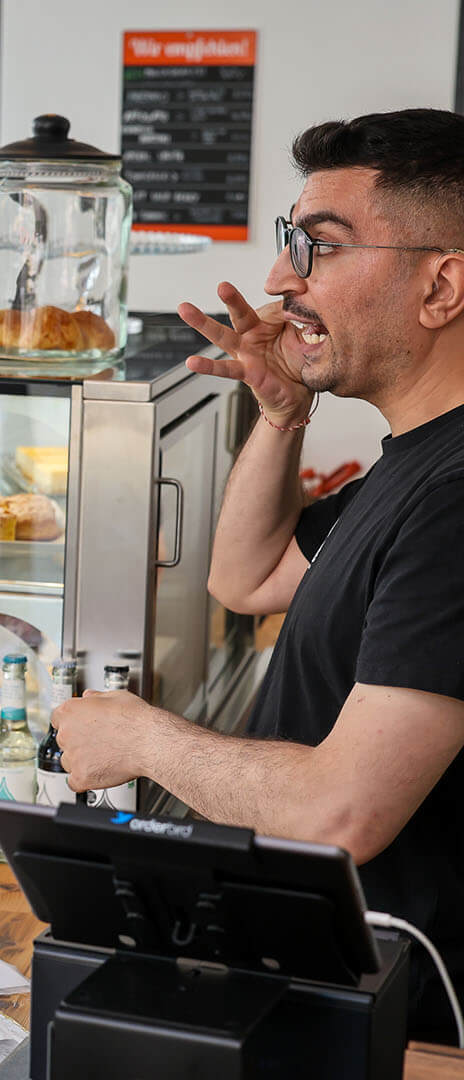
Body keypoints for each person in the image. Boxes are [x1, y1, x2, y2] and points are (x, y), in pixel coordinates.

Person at [52, 108, 464, 1042]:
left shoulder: (456, 501)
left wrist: (145, 741)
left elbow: (340, 812)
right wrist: (280, 411)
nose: (282, 282)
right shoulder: (412, 463)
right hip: (350, 989)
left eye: (319, 247)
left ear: (441, 285)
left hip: (416, 1025)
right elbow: (249, 578)